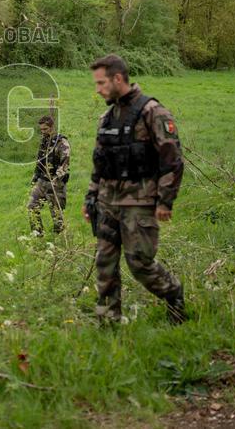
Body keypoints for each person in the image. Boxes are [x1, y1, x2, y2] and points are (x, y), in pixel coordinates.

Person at [84, 54, 186, 324]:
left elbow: (172, 159)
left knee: (139, 263)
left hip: (139, 202)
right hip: (107, 203)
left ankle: (173, 293)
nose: (98, 89)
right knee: (105, 264)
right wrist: (91, 197)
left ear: (118, 79)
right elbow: (99, 163)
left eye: (101, 83)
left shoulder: (152, 112)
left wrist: (165, 201)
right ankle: (108, 322)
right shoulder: (107, 118)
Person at [26, 114, 70, 236]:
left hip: (56, 183)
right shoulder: (44, 141)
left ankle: (60, 240)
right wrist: (35, 177)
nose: (43, 132)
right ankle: (38, 235)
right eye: (41, 129)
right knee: (32, 207)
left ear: (52, 127)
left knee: (57, 215)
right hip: (41, 181)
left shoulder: (62, 143)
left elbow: (65, 165)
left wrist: (55, 180)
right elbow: (39, 160)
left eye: (45, 129)